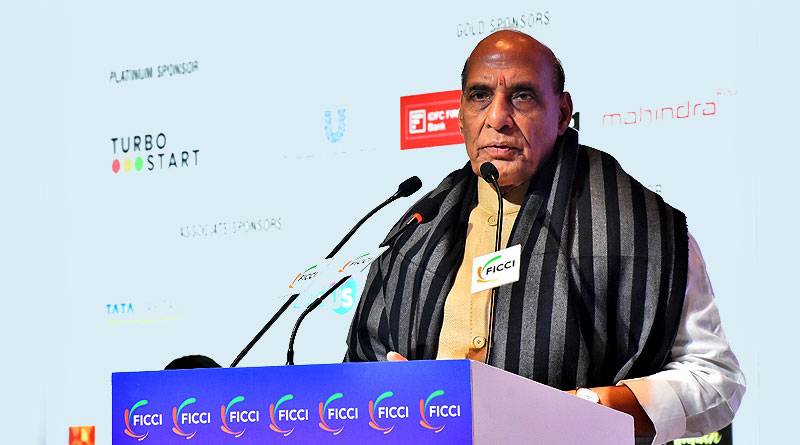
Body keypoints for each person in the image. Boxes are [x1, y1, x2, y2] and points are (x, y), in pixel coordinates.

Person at [344, 30, 745, 444]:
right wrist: (390, 396)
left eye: (522, 96)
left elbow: (715, 380)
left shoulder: (637, 226)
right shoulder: (417, 232)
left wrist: (591, 409)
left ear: (562, 112)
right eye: (480, 96)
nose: (497, 117)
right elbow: (358, 378)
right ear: (460, 114)